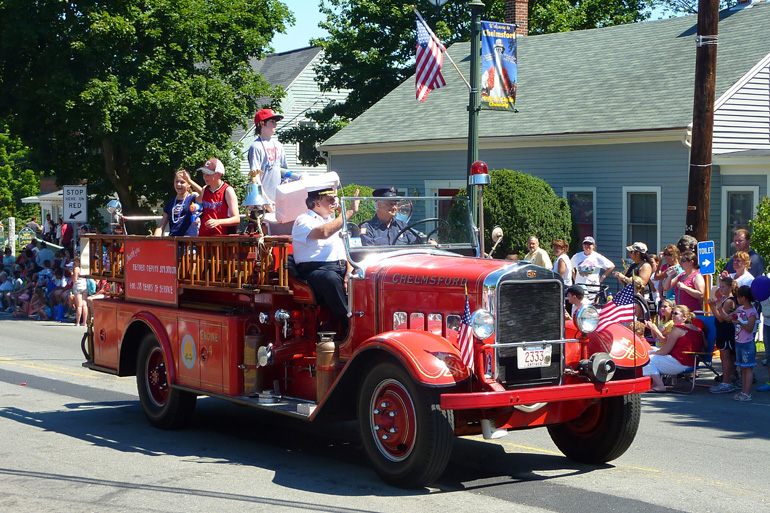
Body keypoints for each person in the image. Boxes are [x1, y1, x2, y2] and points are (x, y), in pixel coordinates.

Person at [292, 185, 360, 341]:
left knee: (366, 275)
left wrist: (349, 271)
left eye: (335, 198)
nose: (334, 202)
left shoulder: (334, 221)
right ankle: (349, 327)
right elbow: (324, 232)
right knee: (330, 279)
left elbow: (346, 250)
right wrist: (349, 212)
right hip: (314, 271)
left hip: (339, 267)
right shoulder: (303, 220)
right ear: (316, 202)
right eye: (329, 199)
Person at [644, 304, 704, 392]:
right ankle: (655, 383)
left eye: (676, 313)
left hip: (680, 363)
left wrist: (653, 353)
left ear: (684, 317)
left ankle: (659, 385)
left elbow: (665, 350)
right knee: (650, 351)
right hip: (691, 362)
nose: (673, 316)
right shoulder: (697, 329)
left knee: (645, 358)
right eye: (673, 313)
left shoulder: (678, 329)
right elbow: (705, 346)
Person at [247, 108, 288, 210]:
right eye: (272, 121)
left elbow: (284, 171)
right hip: (261, 206)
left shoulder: (278, 145)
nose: (275, 125)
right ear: (262, 123)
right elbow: (255, 178)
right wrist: (265, 201)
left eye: (276, 122)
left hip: (278, 203)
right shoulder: (256, 147)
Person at [189, 158, 240, 237]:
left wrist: (218, 222)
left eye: (208, 174)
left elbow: (236, 219)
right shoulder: (205, 189)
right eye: (204, 173)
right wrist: (198, 218)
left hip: (222, 240)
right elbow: (207, 212)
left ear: (219, 174)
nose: (205, 177)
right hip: (204, 238)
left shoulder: (227, 190)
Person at [708, 275, 738, 394]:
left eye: (723, 287)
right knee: (726, 356)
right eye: (720, 287)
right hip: (722, 331)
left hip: (726, 331)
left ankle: (726, 382)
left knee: (725, 357)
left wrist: (713, 307)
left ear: (730, 287)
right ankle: (729, 378)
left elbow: (721, 318)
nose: (721, 289)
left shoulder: (729, 301)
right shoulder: (724, 299)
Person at [154, 170, 200, 237]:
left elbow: (204, 194)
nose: (178, 184)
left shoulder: (193, 199)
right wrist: (154, 240)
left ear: (188, 184)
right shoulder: (169, 204)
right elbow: (161, 227)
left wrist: (190, 181)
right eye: (176, 182)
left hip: (189, 242)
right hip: (173, 241)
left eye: (182, 182)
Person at [731, 285, 757, 401]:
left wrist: (740, 323)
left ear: (743, 297)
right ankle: (743, 392)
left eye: (738, 296)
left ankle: (747, 393)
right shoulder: (740, 309)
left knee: (748, 368)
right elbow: (731, 317)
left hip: (747, 343)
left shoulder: (752, 312)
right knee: (742, 368)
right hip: (739, 342)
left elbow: (750, 328)